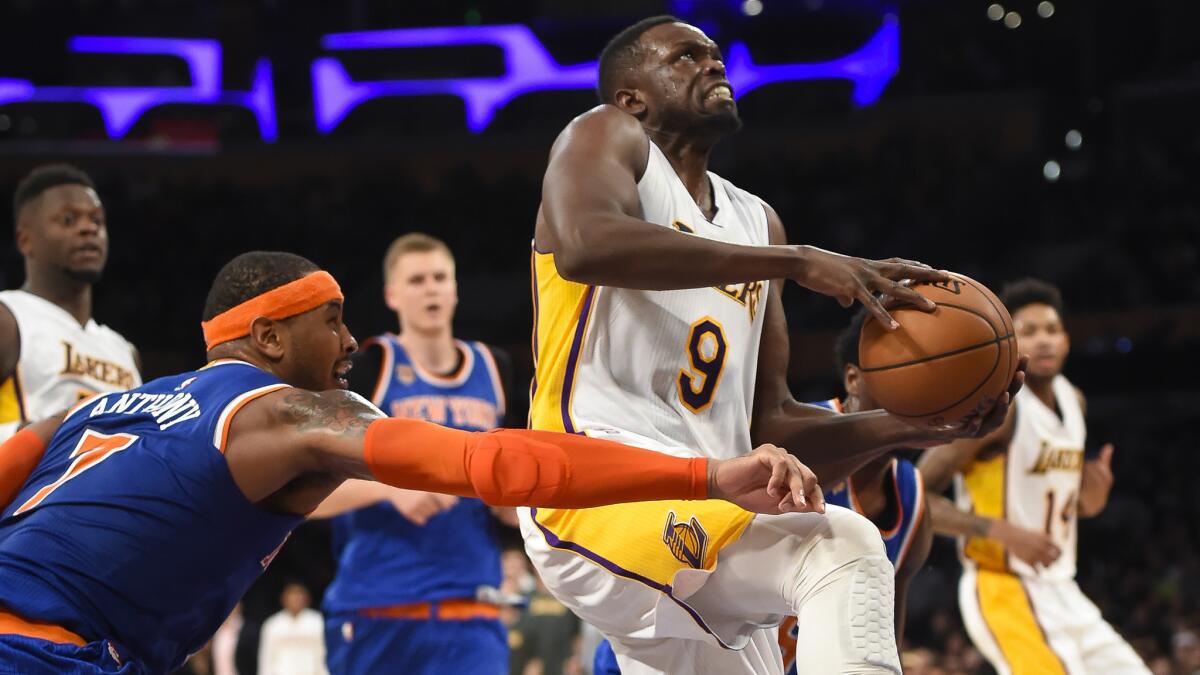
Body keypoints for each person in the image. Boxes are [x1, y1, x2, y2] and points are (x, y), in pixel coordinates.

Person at [0, 250, 820, 674]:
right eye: (332, 319)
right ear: (270, 337)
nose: (352, 341)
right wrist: (704, 475)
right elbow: (503, 464)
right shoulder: (292, 413)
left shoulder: (93, 406)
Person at [522, 15, 1022, 675]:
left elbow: (771, 425)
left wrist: (916, 424)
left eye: (714, 53)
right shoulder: (605, 134)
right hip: (597, 488)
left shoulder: (756, 221)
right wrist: (795, 261)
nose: (712, 62)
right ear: (631, 97)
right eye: (684, 55)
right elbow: (585, 244)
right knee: (841, 546)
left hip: (703, 507)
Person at [918, 278, 1148, 674]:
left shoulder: (1074, 400)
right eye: (1029, 331)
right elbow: (916, 496)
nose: (1043, 340)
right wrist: (1000, 532)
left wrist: (1090, 499)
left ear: (1067, 341)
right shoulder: (995, 410)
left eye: (1052, 330)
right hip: (1002, 585)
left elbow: (1069, 503)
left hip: (1064, 588)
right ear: (1008, 343)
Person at [314, 233, 518, 674]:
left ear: (456, 289)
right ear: (392, 294)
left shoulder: (494, 367)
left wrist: (516, 507)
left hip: (472, 605)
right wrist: (388, 489)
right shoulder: (368, 368)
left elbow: (516, 488)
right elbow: (307, 488)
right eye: (417, 279)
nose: (431, 288)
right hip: (377, 605)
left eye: (441, 277)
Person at [1, 164, 140, 441]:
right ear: (25, 239)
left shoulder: (124, 351)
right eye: (68, 220)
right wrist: (27, 438)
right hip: (32, 482)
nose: (88, 229)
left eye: (97, 220)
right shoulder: (9, 317)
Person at [258, 583, 326, 675]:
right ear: (284, 599)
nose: (295, 601)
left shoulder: (317, 622)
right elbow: (266, 657)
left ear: (306, 599)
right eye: (292, 597)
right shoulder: (273, 624)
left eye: (298, 597)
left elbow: (323, 653)